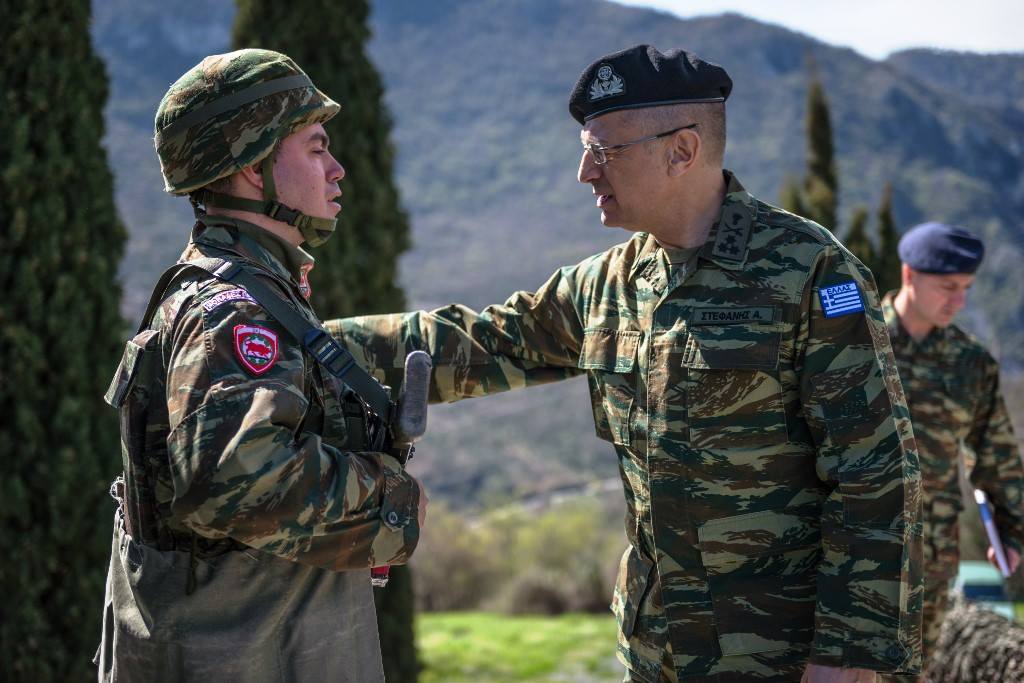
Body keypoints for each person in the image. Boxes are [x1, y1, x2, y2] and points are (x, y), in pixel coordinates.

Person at [331, 45, 922, 682]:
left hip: (776, 658)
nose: (586, 171)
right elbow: (481, 342)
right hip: (655, 653)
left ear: (683, 151)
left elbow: (876, 480)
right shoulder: (612, 283)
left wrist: (842, 662)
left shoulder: (810, 274)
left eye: (606, 150)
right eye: (586, 149)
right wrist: (302, 339)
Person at [94, 49, 426, 682]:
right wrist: (391, 499)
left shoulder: (260, 291)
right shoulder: (234, 312)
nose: (337, 169)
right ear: (251, 168)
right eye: (315, 147)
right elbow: (238, 479)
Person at [879, 222, 1024, 680]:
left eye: (965, 288)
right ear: (908, 275)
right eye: (947, 286)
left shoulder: (970, 362)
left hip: (934, 551)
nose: (958, 299)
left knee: (912, 670)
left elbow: (995, 452)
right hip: (854, 541)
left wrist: (1012, 530)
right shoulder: (857, 343)